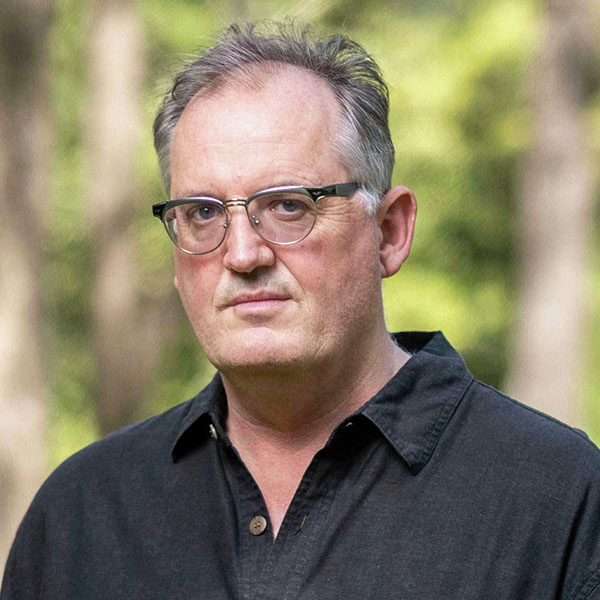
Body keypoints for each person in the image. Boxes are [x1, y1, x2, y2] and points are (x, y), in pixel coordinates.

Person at [3, 21, 600, 600]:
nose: (243, 255)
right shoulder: (80, 518)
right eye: (204, 213)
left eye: (289, 205)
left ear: (389, 232)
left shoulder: (558, 500)